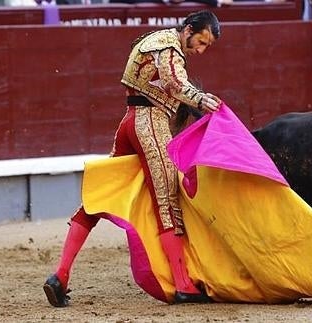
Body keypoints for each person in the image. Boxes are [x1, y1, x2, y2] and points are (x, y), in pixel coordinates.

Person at [43, 10, 222, 307]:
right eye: (200, 41)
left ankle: (60, 276)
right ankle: (183, 284)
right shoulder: (170, 46)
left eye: (206, 47)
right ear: (188, 29)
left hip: (129, 121)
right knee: (167, 200)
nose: (200, 50)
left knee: (101, 195)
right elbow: (174, 83)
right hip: (149, 123)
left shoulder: (153, 40)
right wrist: (201, 99)